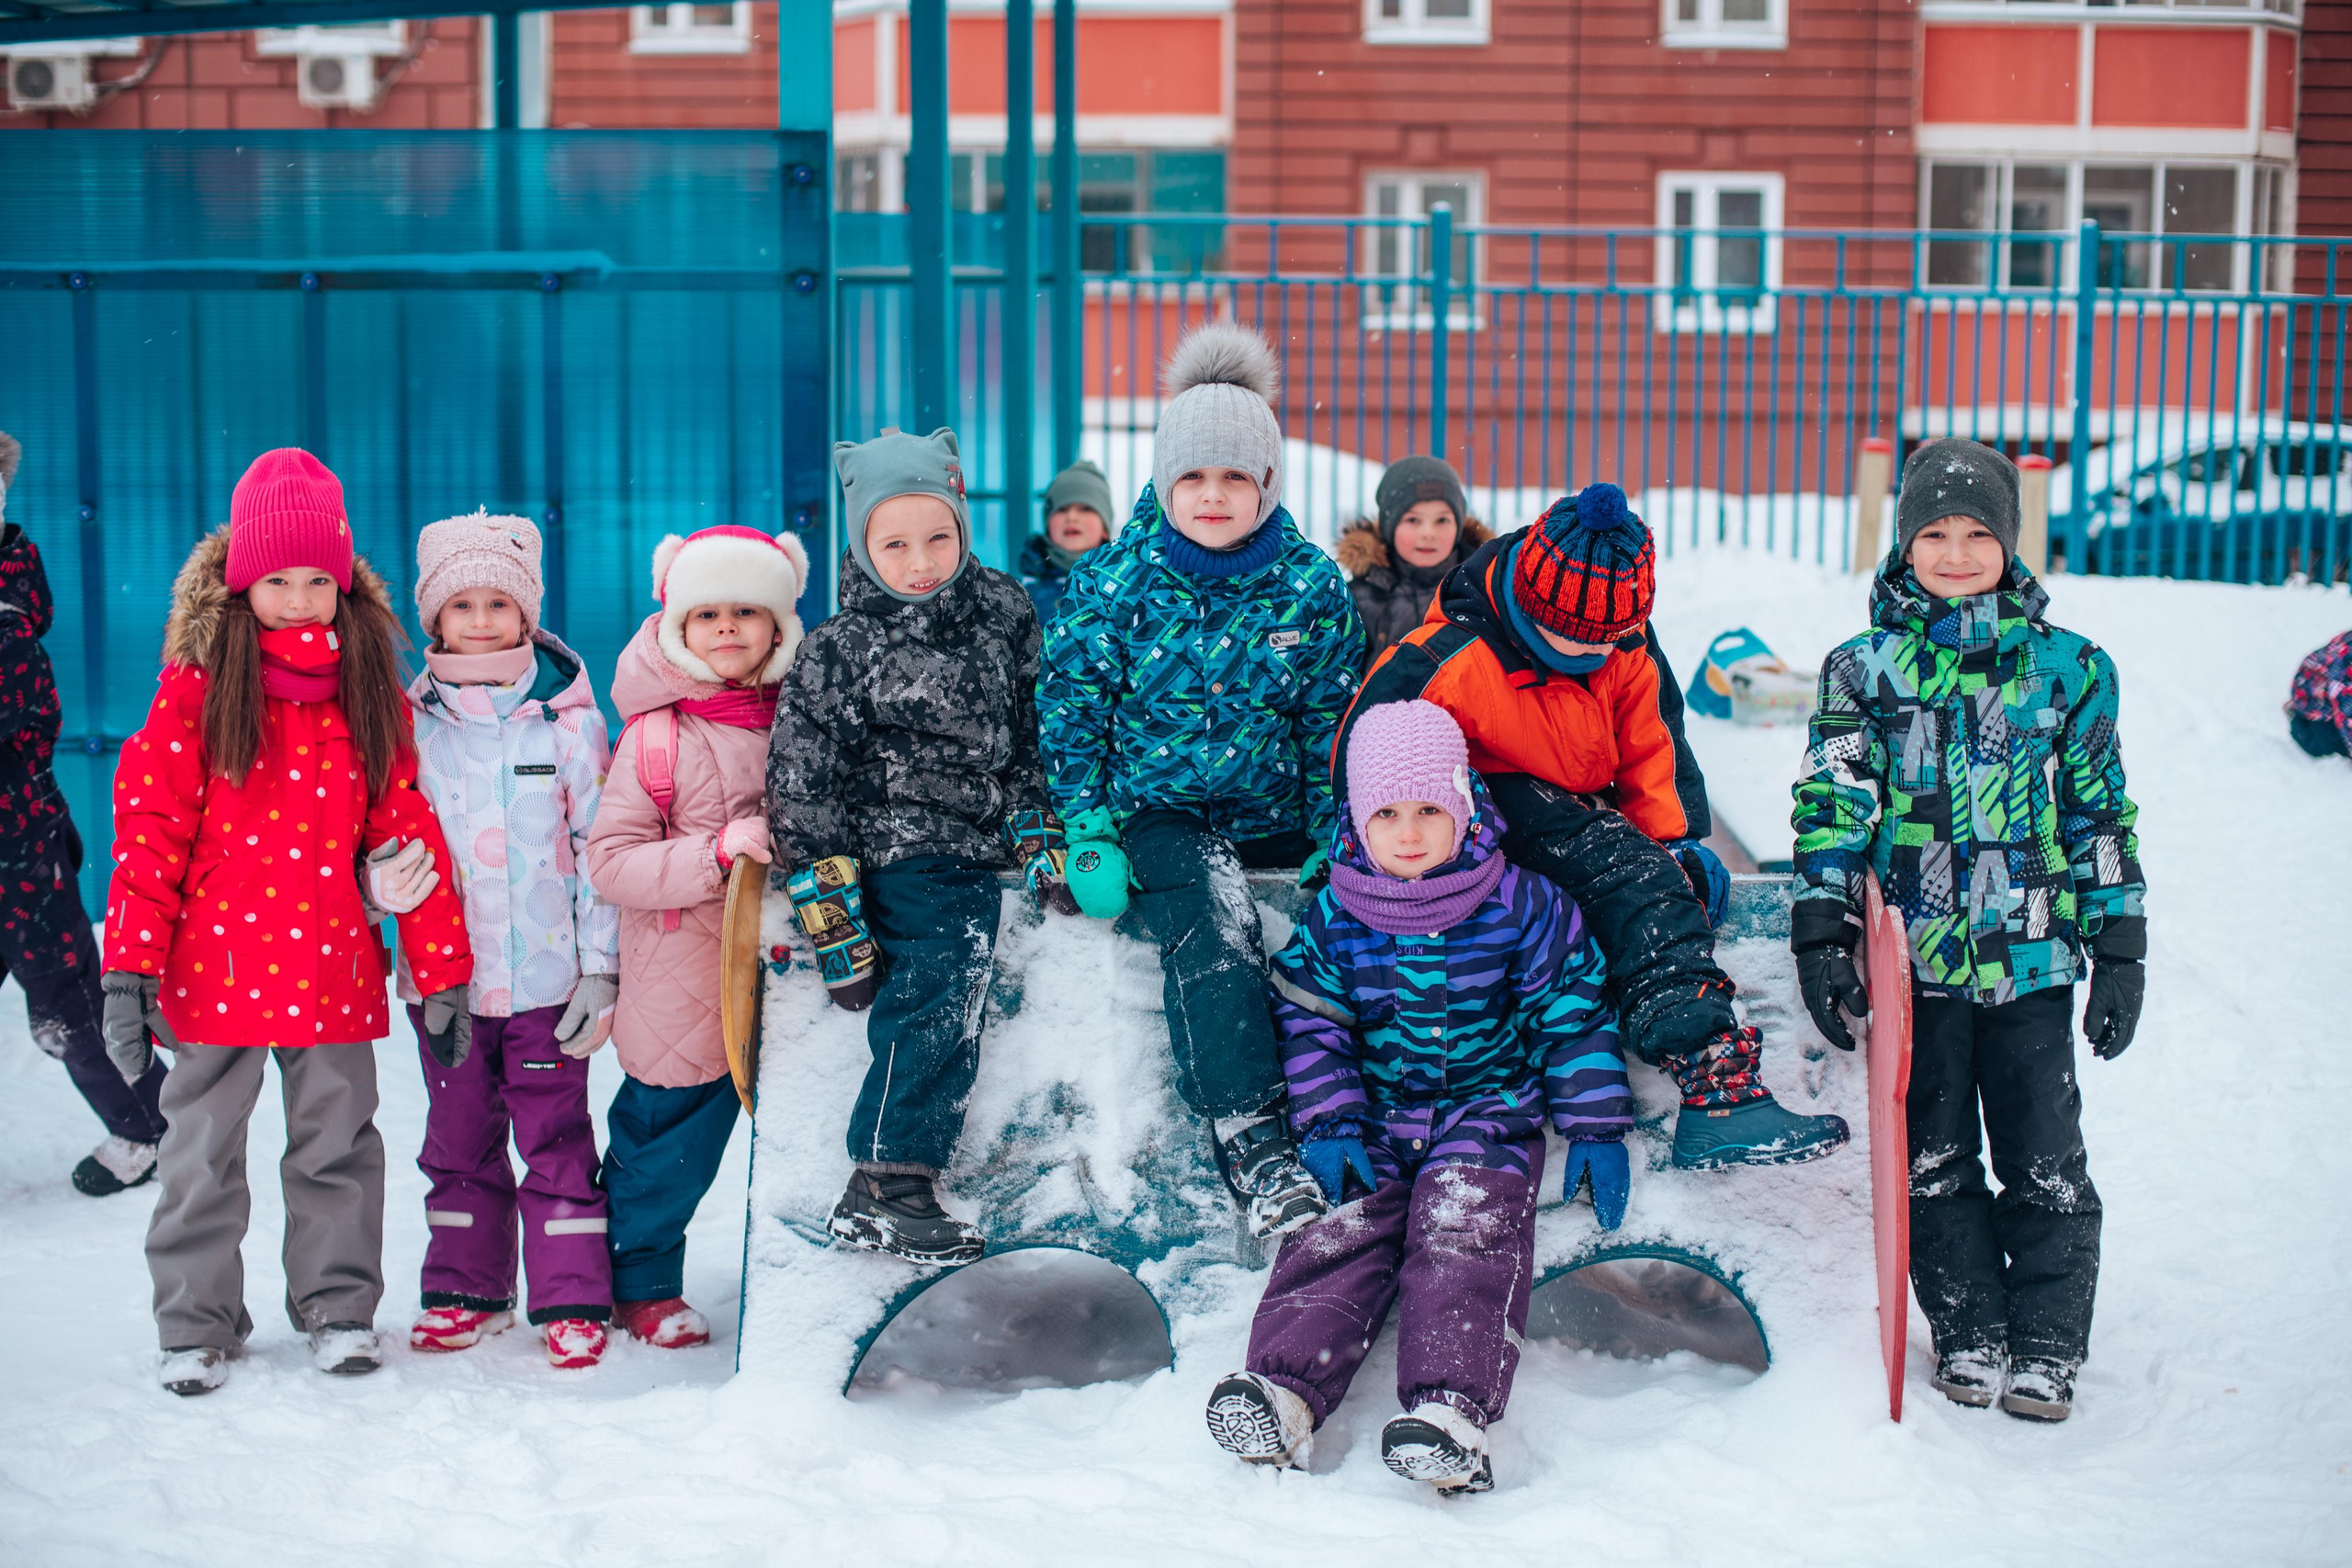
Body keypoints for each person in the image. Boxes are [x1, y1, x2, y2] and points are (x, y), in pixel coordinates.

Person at [98, 447, 473, 1396]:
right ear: (240, 584)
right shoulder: (195, 689)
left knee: (338, 1148)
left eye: (317, 580)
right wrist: (128, 967)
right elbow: (151, 831)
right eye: (277, 581)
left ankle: (338, 1309)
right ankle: (196, 1324)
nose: (300, 600)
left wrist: (441, 968)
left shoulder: (367, 689)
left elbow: (405, 829)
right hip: (213, 969)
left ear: (342, 583)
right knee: (200, 1154)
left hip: (330, 965)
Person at [1792, 437, 2145, 1424]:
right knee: (1933, 1160)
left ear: (2009, 542)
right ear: (1905, 544)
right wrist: (1822, 928)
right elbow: (1833, 803)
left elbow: (2097, 813)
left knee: (2044, 1158)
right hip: (1919, 969)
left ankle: (2047, 1343)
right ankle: (1970, 1330)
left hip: (2033, 959)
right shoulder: (1861, 668)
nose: (1954, 554)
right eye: (1934, 534)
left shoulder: (2071, 668)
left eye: (1977, 534)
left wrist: (2119, 946)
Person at [1343, 480, 1846, 1169]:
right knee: (1624, 870)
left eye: (1603, 640)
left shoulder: (1624, 643)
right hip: (1475, 825)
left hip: (1577, 809)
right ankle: (1712, 1080)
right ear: (1531, 605)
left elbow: (1653, 744)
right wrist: (1348, 845)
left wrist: (1674, 843)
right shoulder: (1448, 658)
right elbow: (1364, 752)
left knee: (1650, 870)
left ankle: (1690, 1053)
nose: (1589, 652)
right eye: (1571, 637)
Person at [1205, 700, 1628, 1493]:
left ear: (1464, 805)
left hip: (1486, 1113)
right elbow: (1311, 1021)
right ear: (1357, 820)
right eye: (1387, 814)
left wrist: (1595, 1122)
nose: (1408, 834)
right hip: (1373, 1117)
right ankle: (1285, 1388)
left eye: (1429, 810)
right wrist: (1331, 1119)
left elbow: (1571, 1014)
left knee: (1464, 1234)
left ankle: (1449, 1412)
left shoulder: (1521, 904)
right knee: (1337, 1232)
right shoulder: (1337, 914)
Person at [1040, 320, 1363, 1241]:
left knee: (1336, 940)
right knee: (1215, 928)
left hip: (1272, 812)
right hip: (1162, 815)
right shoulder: (1114, 583)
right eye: (1192, 477)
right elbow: (1071, 706)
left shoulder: (1308, 586)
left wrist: (1329, 832)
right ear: (1162, 479)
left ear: (1268, 480)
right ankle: (1253, 1139)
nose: (1212, 496)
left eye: (1234, 477)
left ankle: (1367, 1116)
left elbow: (1327, 721)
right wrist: (1087, 825)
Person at [768, 425, 1069, 1266]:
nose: (921, 561)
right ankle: (885, 1178)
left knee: (971, 959)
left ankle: (895, 1177)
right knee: (944, 962)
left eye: (939, 536)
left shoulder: (1004, 613)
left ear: (963, 521)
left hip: (984, 840)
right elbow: (802, 785)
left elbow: (1031, 736)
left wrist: (1038, 831)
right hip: (898, 844)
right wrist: (834, 923)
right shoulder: (839, 649)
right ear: (862, 544)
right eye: (894, 544)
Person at [400, 510, 618, 1369]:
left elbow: (598, 851)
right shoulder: (410, 726)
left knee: (556, 1140)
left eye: (500, 602)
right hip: (446, 985)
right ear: (435, 618)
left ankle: (572, 1297)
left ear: (528, 612)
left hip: (547, 987)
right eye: (462, 605)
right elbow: (386, 836)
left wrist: (601, 970)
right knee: (457, 1141)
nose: (482, 620)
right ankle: (466, 1288)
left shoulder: (566, 723)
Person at [584, 524, 808, 1349]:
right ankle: (637, 1282)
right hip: (683, 974)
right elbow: (610, 862)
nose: (726, 628)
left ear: (779, 624)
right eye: (707, 613)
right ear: (678, 624)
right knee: (665, 1142)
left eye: (746, 611)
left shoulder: (809, 717)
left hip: (795, 964)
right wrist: (715, 852)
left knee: (803, 1127)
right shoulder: (657, 735)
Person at [0, 430, 169, 1196]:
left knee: (67, 1003)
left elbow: (25, 722)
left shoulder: (8, 624)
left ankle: (150, 1125)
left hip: (20, 856)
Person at [1336, 456, 1490, 661]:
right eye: (1413, 520)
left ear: (1458, 526)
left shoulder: (1483, 592)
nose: (1428, 533)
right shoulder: (1359, 600)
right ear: (1389, 527)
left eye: (1442, 520)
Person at [1018, 457, 1118, 625]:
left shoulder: (1128, 591)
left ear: (1105, 527)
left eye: (1085, 508)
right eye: (1062, 509)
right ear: (1048, 524)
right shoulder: (1018, 593)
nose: (1072, 517)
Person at [2285, 630, 2350, 760]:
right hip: (2317, 703)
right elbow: (2347, 712)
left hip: (2338, 696)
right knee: (2331, 746)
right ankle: (2296, 718)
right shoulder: (2346, 658)